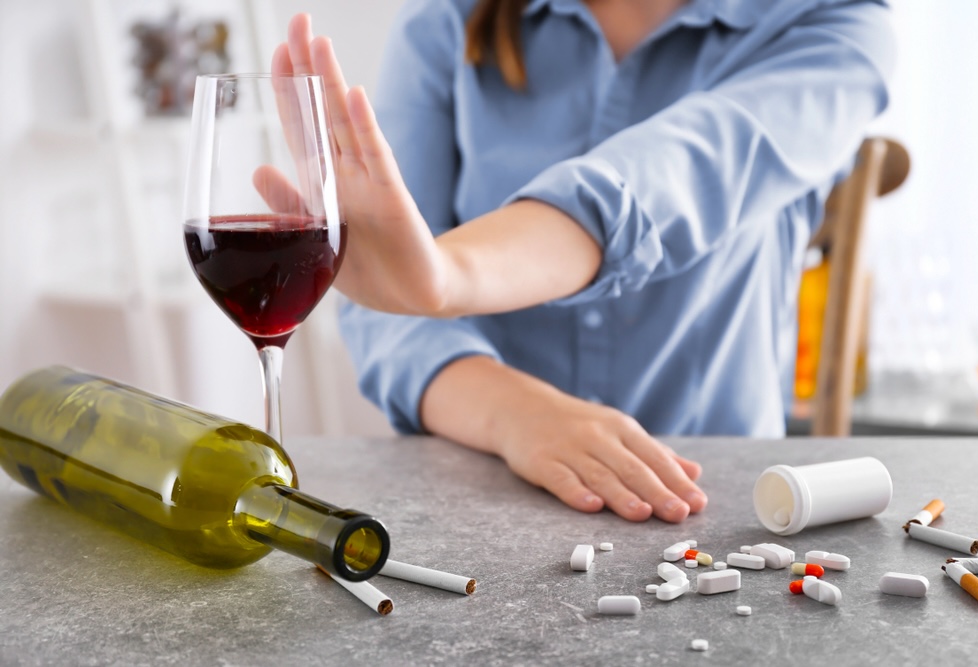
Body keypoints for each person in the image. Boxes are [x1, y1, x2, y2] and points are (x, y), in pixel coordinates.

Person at [270, 0, 894, 523]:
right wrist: (515, 412)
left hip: (717, 507)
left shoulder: (830, 24)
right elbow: (385, 302)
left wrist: (447, 275)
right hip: (478, 497)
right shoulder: (449, 19)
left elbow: (674, 173)